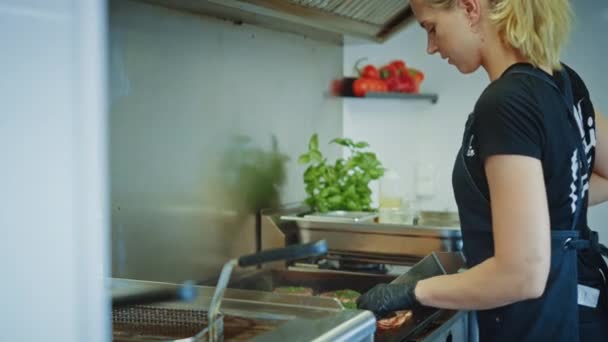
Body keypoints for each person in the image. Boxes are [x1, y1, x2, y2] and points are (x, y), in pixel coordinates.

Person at [356, 0, 608, 341]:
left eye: (432, 28)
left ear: (470, 8)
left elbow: (521, 275)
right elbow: (568, 184)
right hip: (584, 310)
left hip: (539, 324)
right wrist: (548, 208)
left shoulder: (505, 103)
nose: (431, 47)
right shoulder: (562, 81)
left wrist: (413, 292)